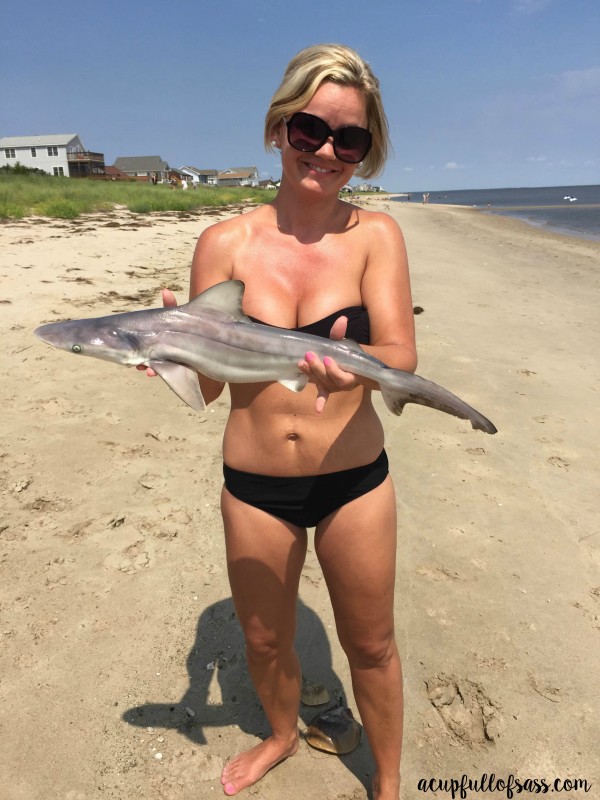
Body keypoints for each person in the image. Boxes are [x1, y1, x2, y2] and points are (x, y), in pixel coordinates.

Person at [140, 43, 416, 800]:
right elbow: (206, 390)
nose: (326, 151)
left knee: (371, 643)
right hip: (255, 483)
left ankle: (388, 784)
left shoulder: (375, 237)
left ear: (365, 152)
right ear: (278, 129)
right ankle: (283, 734)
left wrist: (351, 358)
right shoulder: (223, 244)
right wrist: (166, 350)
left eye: (349, 139)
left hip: (355, 480)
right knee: (263, 638)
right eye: (309, 130)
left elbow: (398, 351)